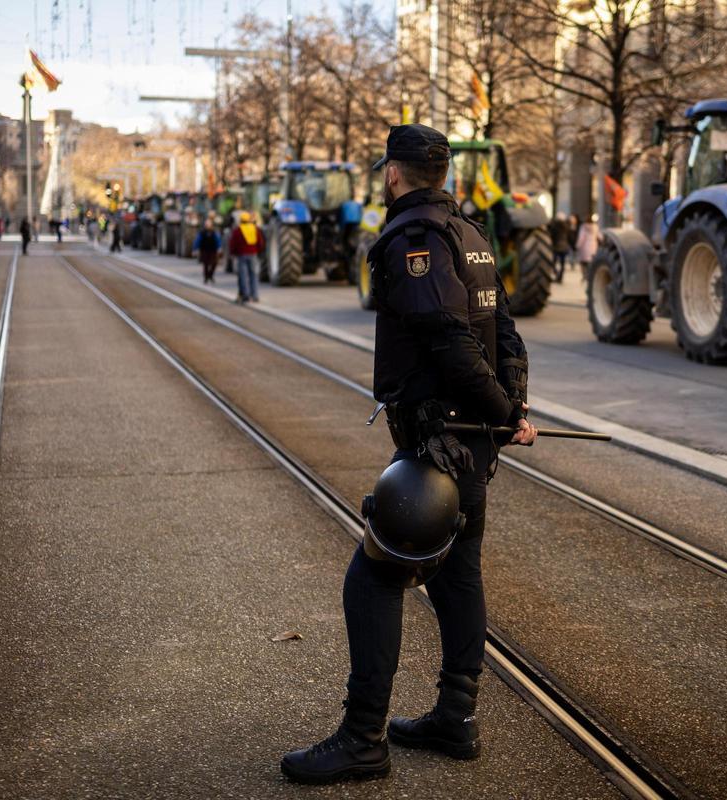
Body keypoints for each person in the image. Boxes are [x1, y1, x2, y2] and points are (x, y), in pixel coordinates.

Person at [280, 124, 538, 785]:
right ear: (444, 173)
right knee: (458, 573)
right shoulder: (471, 233)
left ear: (394, 174)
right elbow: (507, 336)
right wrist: (512, 409)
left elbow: (450, 339)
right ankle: (455, 717)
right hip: (470, 443)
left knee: (373, 576)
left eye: (385, 172)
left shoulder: (414, 237)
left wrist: (504, 415)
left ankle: (363, 737)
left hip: (438, 443)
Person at [228, 211, 264, 303]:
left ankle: (246, 295)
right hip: (253, 255)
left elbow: (233, 243)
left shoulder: (237, 230)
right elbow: (260, 242)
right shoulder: (255, 229)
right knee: (253, 275)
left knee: (243, 276)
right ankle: (255, 296)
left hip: (242, 256)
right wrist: (258, 251)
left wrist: (233, 253)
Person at [194, 218, 222, 284]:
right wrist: (195, 249)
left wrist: (219, 248)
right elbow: (197, 241)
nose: (207, 225)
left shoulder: (214, 232)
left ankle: (210, 275)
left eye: (209, 224)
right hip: (204, 250)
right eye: (206, 224)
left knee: (214, 263)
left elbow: (218, 240)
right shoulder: (202, 232)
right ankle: (206, 277)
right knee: (205, 264)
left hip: (213, 250)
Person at [549, 212, 571, 283]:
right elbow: (569, 237)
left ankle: (557, 274)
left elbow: (552, 235)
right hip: (564, 247)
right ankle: (560, 277)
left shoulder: (555, 226)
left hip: (556, 247)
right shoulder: (566, 226)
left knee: (553, 263)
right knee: (562, 263)